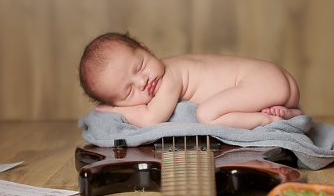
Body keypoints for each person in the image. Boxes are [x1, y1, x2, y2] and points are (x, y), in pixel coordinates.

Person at [79, 32, 303, 130]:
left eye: (140, 67)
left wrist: (116, 110)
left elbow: (150, 119)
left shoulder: (169, 78)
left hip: (260, 81)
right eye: (129, 92)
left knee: (206, 115)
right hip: (274, 77)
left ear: (146, 49)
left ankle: (268, 121)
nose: (142, 82)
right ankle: (289, 113)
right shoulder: (168, 65)